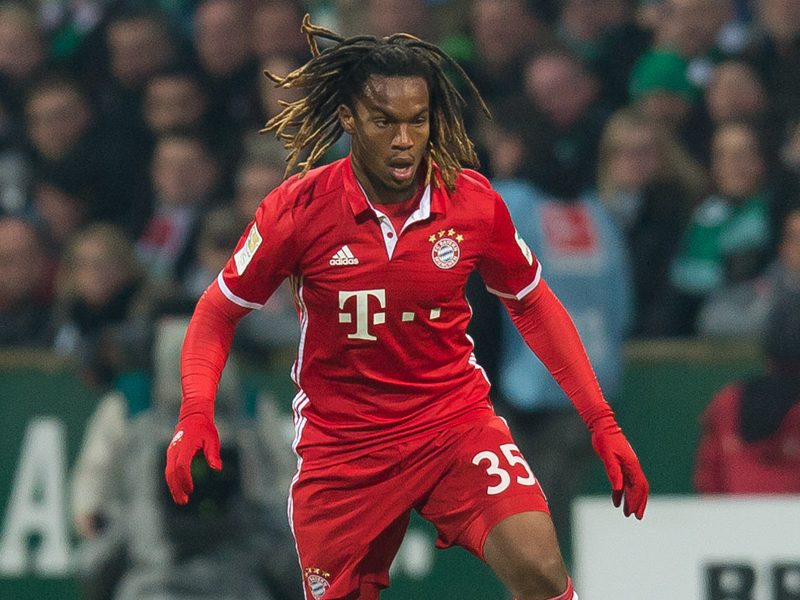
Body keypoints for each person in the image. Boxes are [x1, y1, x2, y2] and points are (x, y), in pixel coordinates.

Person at [164, 17, 648, 600]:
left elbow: (533, 303)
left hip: (452, 423)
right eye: (384, 121)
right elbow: (217, 312)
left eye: (418, 120)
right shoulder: (299, 209)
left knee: (542, 571)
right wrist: (196, 412)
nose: (404, 139)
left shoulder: (471, 202)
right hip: (344, 447)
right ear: (349, 118)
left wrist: (601, 420)